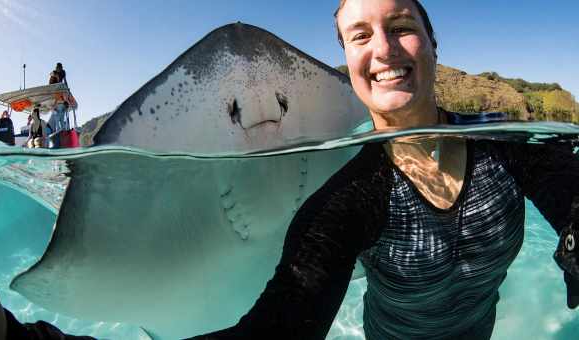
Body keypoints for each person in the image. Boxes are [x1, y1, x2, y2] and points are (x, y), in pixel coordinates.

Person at [191, 0, 579, 339]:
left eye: (401, 27)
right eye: (360, 36)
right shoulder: (350, 200)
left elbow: (569, 188)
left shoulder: (509, 145)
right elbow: (283, 324)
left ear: (432, 44)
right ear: (348, 59)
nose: (384, 48)